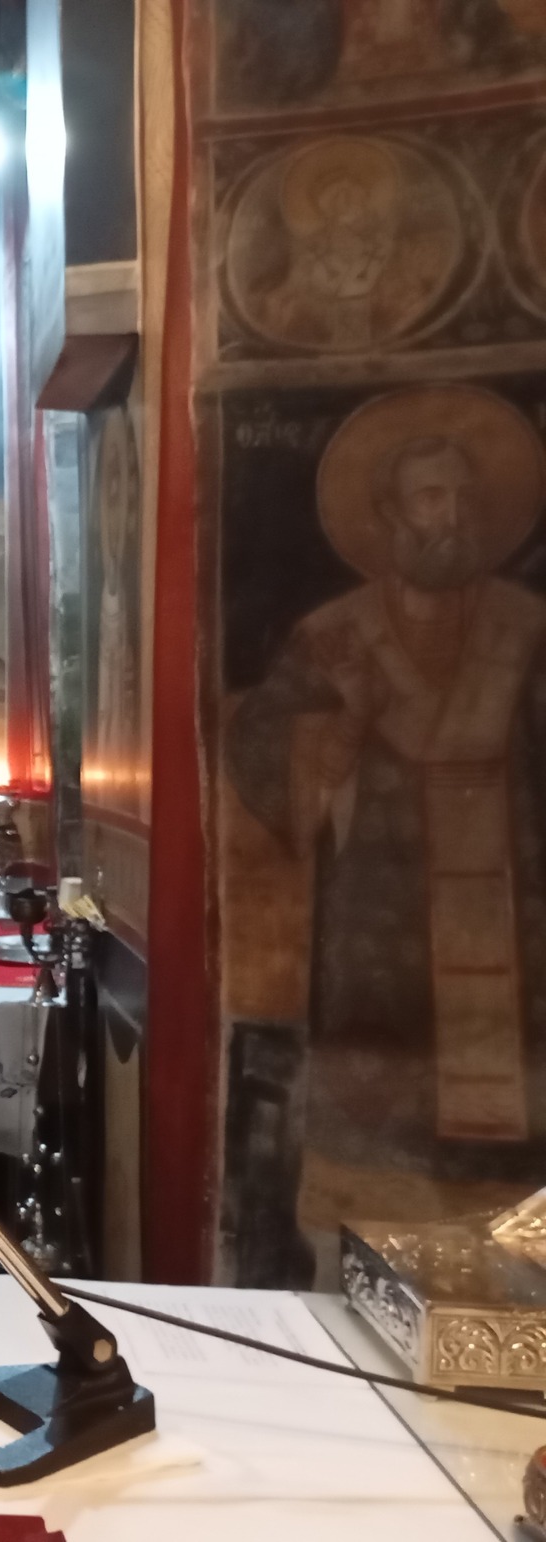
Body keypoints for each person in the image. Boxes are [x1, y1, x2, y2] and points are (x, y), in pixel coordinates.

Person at [227, 398, 546, 1252]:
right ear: (390, 516)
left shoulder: (527, 631)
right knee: (373, 1131)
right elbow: (261, 751)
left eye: (464, 496)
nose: (453, 516)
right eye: (431, 497)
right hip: (375, 929)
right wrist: (342, 728)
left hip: (514, 929)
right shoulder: (336, 637)